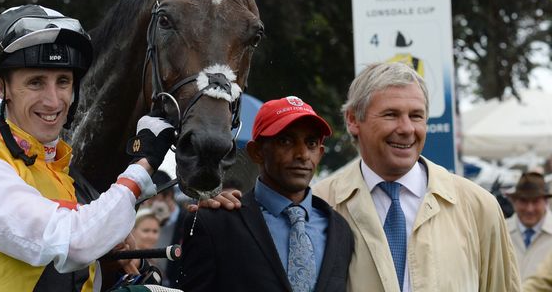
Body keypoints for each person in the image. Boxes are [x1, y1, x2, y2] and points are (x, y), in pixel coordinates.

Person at [0, 5, 175, 292]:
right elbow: (72, 242)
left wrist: (109, 268)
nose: (53, 101)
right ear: (3, 88)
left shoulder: (69, 179)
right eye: (36, 82)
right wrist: (143, 164)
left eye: (63, 82)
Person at [313, 62, 520, 291]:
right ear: (353, 120)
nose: (407, 128)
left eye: (416, 116)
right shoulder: (319, 204)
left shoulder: (479, 206)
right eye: (391, 114)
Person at [179, 96, 354, 292]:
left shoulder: (340, 230)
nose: (302, 154)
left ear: (320, 153)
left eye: (311, 143)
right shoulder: (214, 222)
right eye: (286, 141)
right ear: (256, 152)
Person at [141, 169, 187, 288]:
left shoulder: (187, 221)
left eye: (150, 199)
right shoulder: (142, 221)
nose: (147, 204)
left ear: (168, 196)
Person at [506, 172, 552, 280]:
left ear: (546, 202)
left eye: (535, 202)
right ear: (514, 201)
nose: (529, 209)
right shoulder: (500, 231)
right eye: (524, 201)